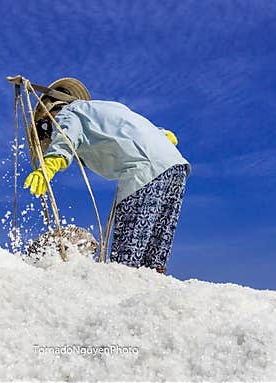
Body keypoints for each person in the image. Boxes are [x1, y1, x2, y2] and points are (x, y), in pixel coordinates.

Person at [23, 77, 190, 274]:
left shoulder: (68, 114)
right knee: (153, 257)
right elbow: (142, 128)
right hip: (175, 167)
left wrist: (48, 165)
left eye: (47, 130)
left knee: (125, 262)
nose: (50, 135)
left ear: (50, 114)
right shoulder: (108, 108)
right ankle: (154, 290)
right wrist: (164, 137)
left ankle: (126, 291)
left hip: (144, 170)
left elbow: (65, 139)